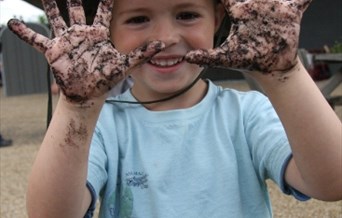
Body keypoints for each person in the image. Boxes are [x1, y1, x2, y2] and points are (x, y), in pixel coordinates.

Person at [7, 0, 342, 217]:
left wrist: (284, 73)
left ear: (218, 18)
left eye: (187, 15)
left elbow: (332, 183)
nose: (165, 37)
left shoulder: (246, 114)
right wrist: (78, 107)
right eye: (138, 18)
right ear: (106, 31)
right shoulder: (103, 126)